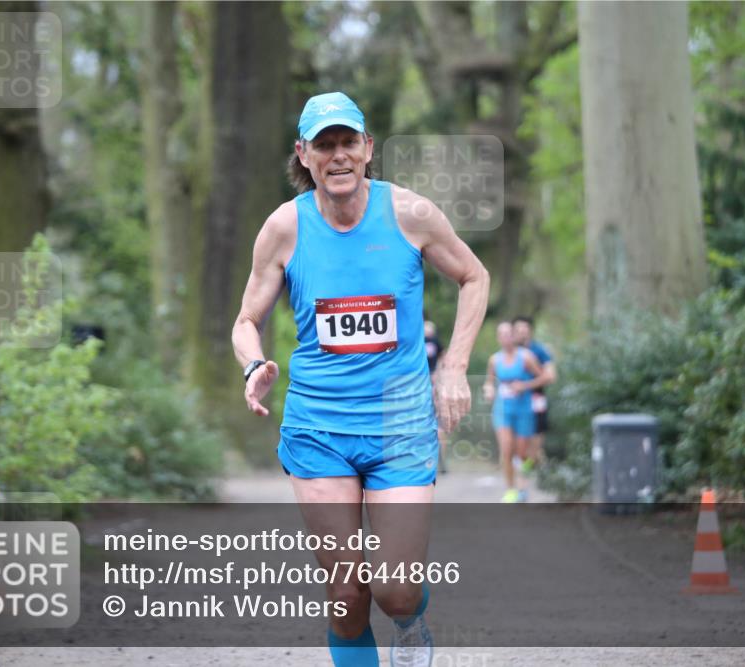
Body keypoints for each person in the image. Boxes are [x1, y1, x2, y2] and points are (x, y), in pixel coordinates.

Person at [231, 91, 489, 667]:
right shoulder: (283, 228)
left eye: (349, 142)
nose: (339, 155)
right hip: (318, 427)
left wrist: (452, 366)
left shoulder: (410, 215)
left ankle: (411, 618)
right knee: (347, 593)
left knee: (394, 589)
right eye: (325, 145)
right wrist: (254, 365)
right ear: (303, 155)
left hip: (398, 424)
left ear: (369, 149)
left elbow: (474, 276)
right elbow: (247, 320)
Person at [483, 321, 542, 503]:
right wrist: (489, 390)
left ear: (514, 336)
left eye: (509, 333)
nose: (506, 337)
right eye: (502, 334)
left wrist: (525, 385)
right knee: (507, 450)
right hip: (503, 409)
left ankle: (523, 484)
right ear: (498, 338)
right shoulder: (494, 360)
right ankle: (511, 490)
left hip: (523, 409)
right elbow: (489, 382)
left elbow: (543, 377)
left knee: (522, 453)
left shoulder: (526, 357)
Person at [512, 316, 556, 470]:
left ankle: (530, 466)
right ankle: (523, 467)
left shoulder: (539, 351)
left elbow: (550, 376)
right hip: (512, 402)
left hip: (535, 399)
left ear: (530, 332)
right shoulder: (507, 352)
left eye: (525, 330)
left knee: (536, 437)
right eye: (518, 330)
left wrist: (525, 386)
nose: (522, 333)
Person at [423, 320, 449, 473]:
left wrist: (438, 373)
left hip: (434, 387)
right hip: (419, 386)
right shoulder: (417, 343)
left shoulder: (436, 344)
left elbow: (443, 357)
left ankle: (441, 461)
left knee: (439, 427)